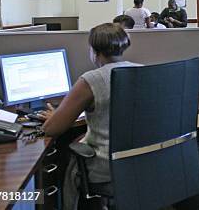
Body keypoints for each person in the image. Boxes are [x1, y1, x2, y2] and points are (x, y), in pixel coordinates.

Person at [39, 23, 138, 208]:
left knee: (66, 157)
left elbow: (52, 128)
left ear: (93, 51)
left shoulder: (92, 79)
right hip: (141, 160)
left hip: (106, 166)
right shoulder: (141, 70)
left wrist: (56, 115)